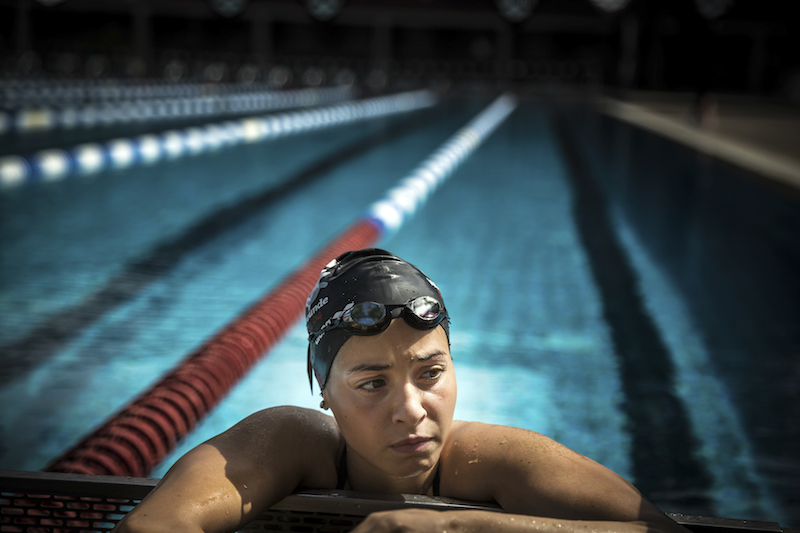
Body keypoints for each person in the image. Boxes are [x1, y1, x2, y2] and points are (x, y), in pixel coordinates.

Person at [114, 248, 689, 533]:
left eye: (430, 373)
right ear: (325, 394)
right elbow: (150, 528)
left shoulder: (496, 460)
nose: (411, 411)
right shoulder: (289, 438)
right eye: (371, 384)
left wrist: (459, 525)